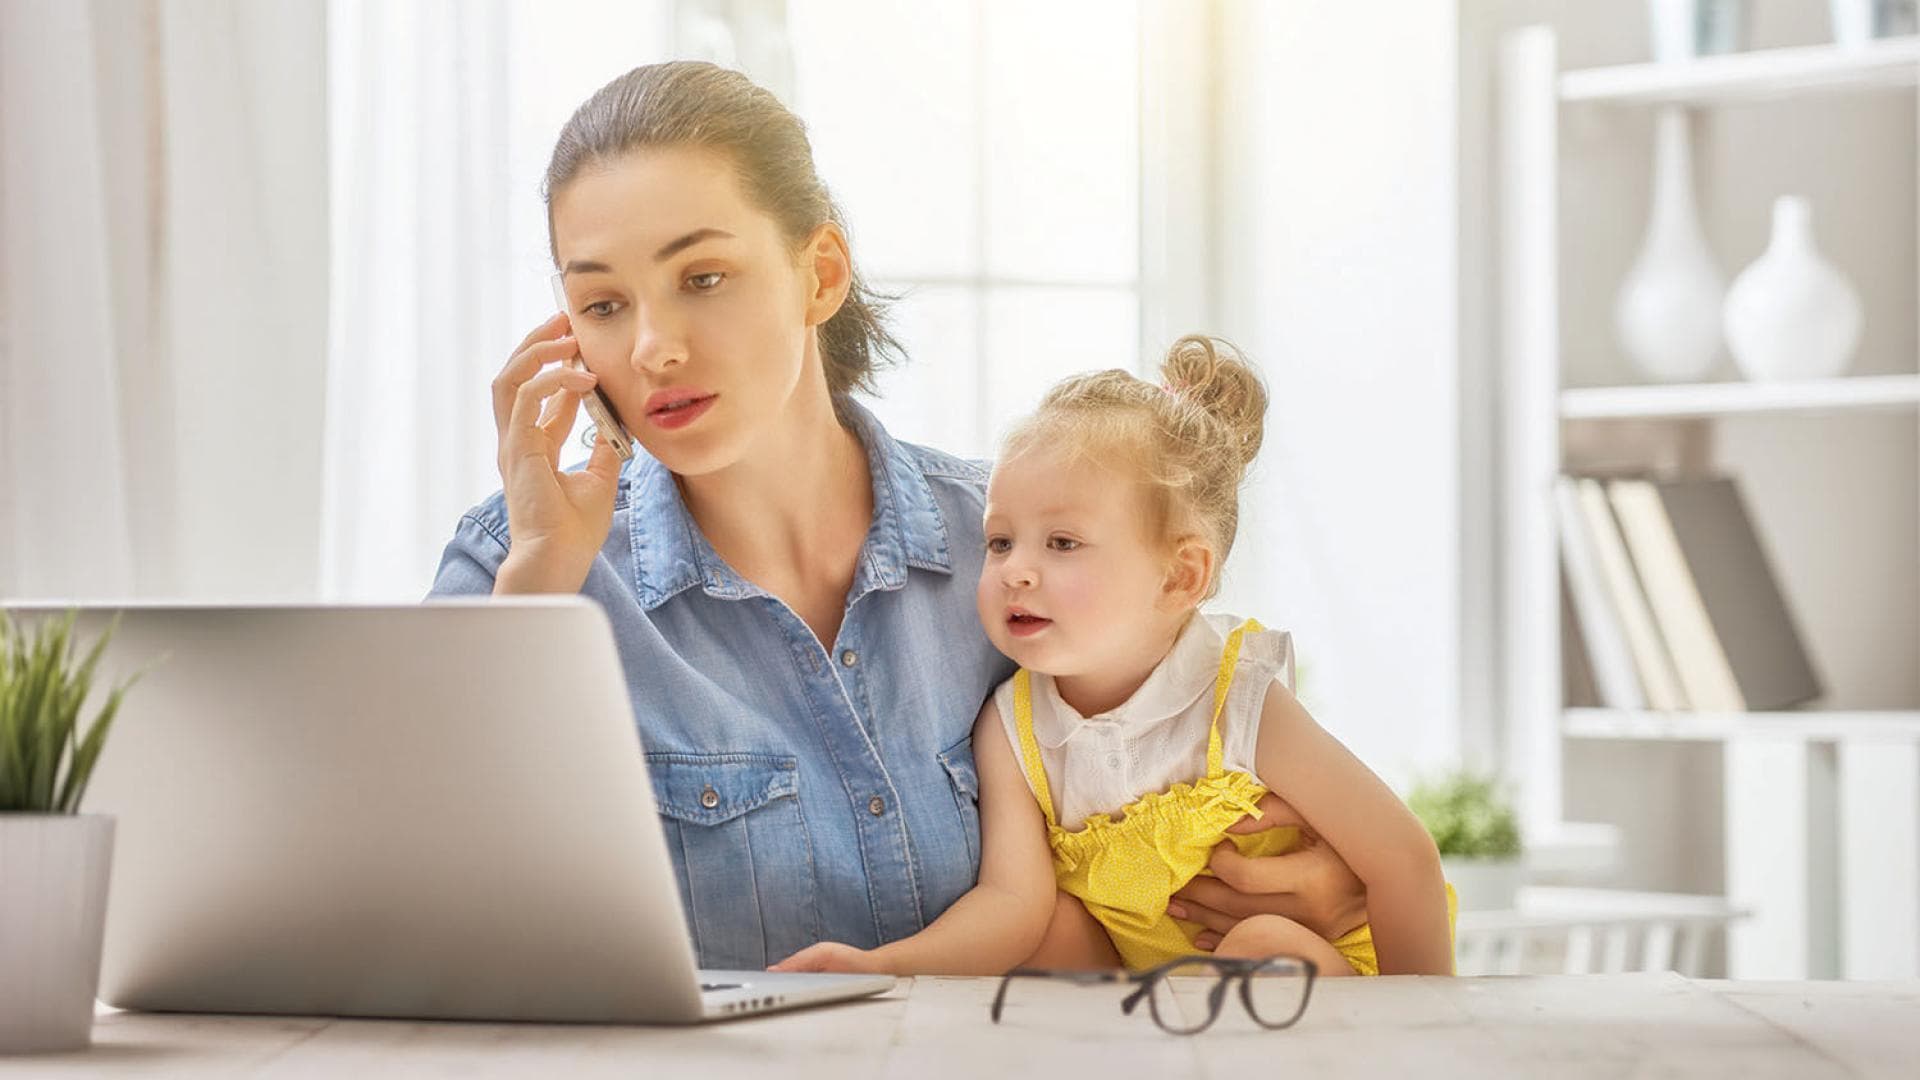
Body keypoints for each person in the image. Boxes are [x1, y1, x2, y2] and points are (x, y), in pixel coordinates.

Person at [427, 61, 1370, 972]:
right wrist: (542, 580)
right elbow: (430, 917)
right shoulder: (514, 566)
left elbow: (1211, 802)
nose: (653, 347)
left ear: (822, 273)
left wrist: (1323, 886)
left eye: (703, 278)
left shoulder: (1017, 554)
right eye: (601, 302)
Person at [773, 338, 1455, 977]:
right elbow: (1013, 903)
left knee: (1261, 946)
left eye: (1062, 544)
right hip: (1149, 989)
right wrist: (884, 966)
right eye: (1001, 541)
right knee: (1047, 927)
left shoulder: (1237, 700)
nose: (1016, 571)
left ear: (1180, 577)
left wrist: (1424, 1032)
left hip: (1305, 975)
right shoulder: (1013, 726)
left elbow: (1404, 859)